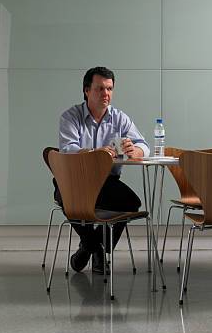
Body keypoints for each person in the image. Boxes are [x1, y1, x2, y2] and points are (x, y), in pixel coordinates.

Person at [59, 66, 150, 274]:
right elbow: (67, 149)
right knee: (68, 200)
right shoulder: (70, 117)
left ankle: (89, 247)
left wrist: (134, 150)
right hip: (75, 180)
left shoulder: (120, 118)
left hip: (105, 182)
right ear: (86, 90)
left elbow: (144, 145)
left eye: (109, 89)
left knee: (131, 203)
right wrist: (94, 153)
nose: (106, 94)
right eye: (100, 89)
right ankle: (97, 249)